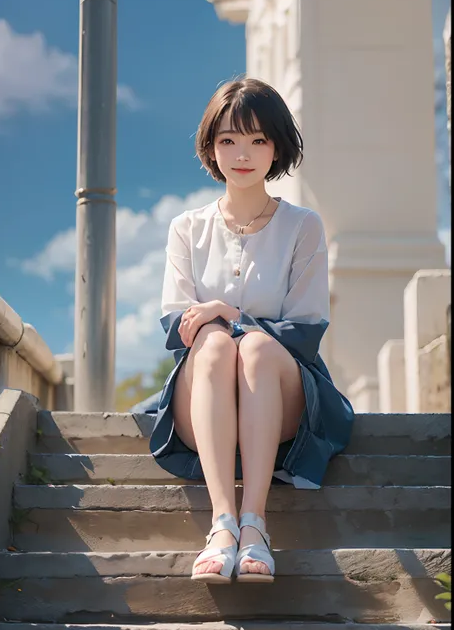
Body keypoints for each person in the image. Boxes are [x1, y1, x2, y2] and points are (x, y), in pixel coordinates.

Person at [132, 77, 354, 584]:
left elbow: (303, 330)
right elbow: (179, 325)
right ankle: (222, 524)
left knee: (252, 346)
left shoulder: (303, 226)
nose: (243, 153)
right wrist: (216, 323)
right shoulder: (187, 228)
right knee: (210, 344)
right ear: (211, 147)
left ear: (277, 146)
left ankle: (255, 525)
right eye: (229, 139)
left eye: (258, 139)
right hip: (204, 400)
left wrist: (229, 314)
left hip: (283, 398)